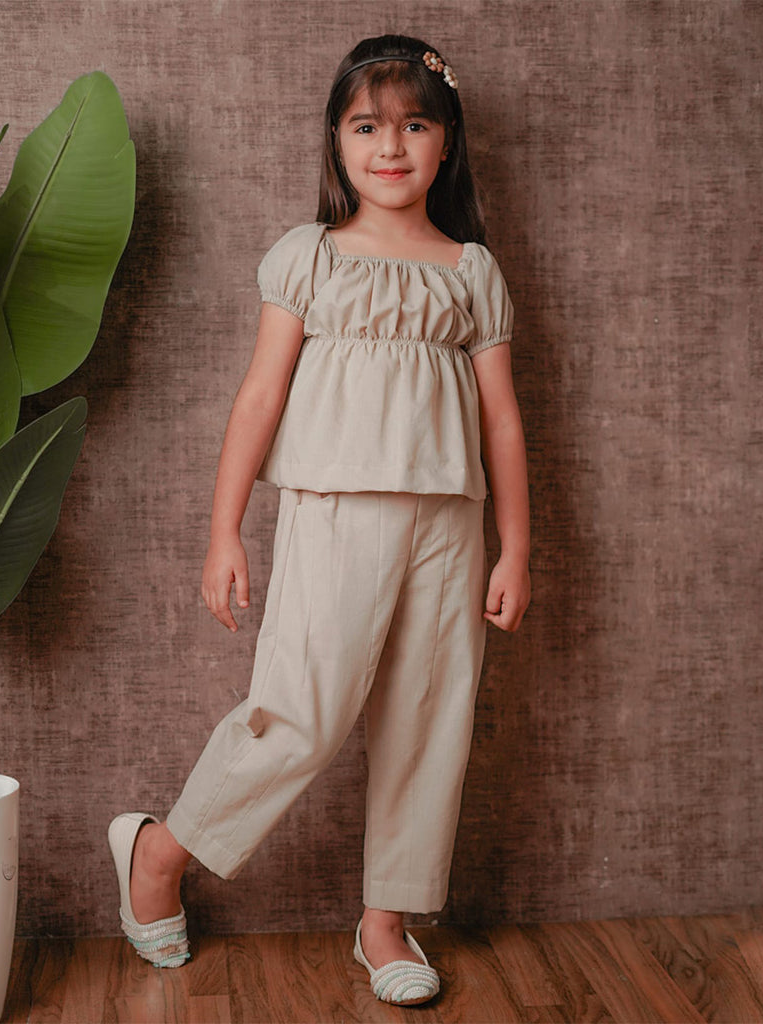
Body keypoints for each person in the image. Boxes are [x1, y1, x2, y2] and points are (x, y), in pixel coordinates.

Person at [108, 33, 530, 1006]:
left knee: (432, 719)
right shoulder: (310, 257)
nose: (391, 145)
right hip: (335, 510)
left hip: (448, 524)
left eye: (415, 124)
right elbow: (257, 397)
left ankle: (386, 918)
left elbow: (503, 419)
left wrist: (518, 545)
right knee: (301, 712)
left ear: (446, 141)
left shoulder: (470, 270)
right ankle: (160, 849)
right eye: (367, 125)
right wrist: (223, 532)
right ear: (337, 140)